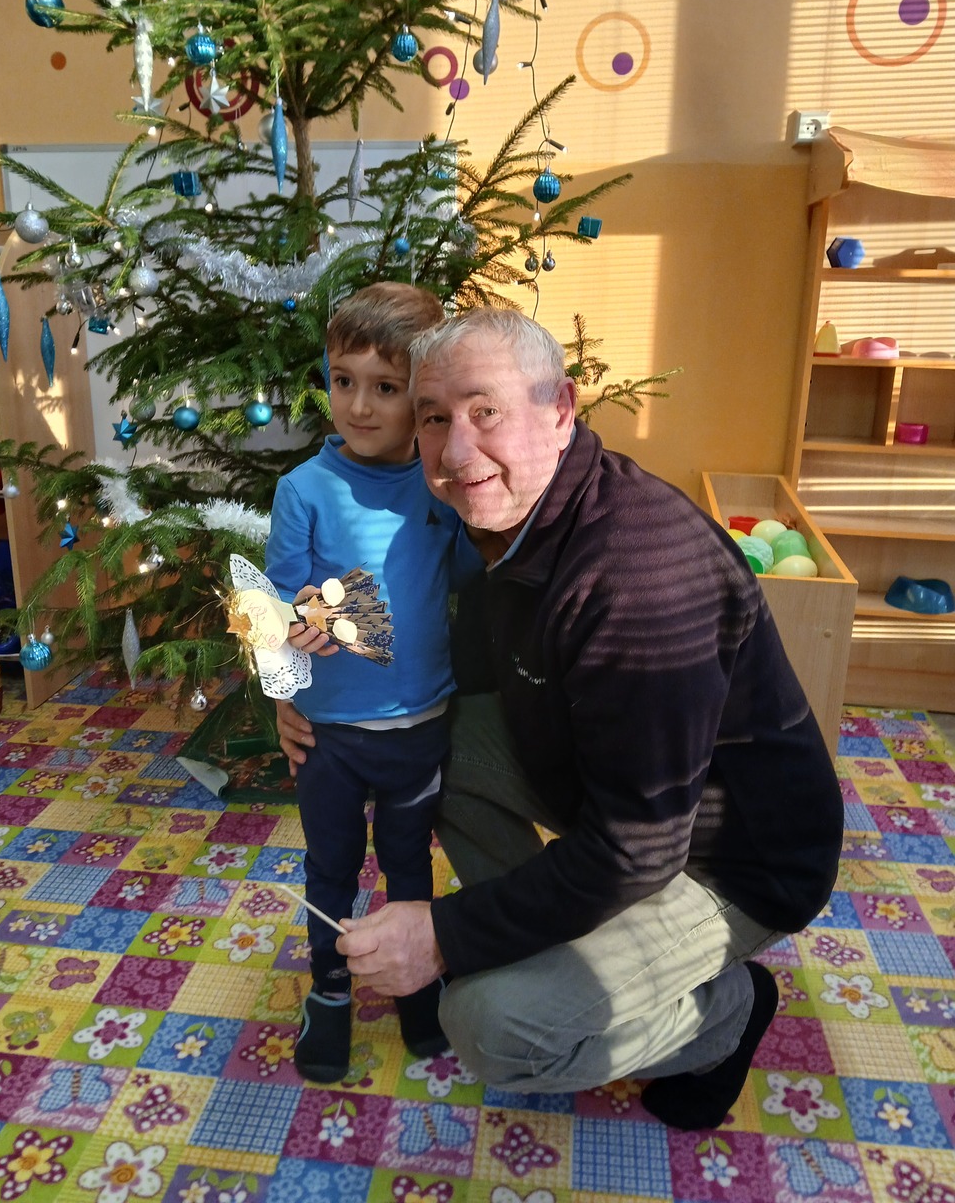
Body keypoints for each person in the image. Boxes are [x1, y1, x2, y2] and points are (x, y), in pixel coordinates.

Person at [276, 307, 843, 1130]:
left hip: (732, 862)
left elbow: (640, 844)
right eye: (434, 418)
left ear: (561, 408)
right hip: (610, 793)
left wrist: (446, 935)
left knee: (492, 1024)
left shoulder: (636, 579)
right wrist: (293, 693)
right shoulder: (502, 520)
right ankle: (554, 947)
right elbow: (432, 662)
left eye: (486, 410)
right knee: (441, 746)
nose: (457, 451)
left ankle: (725, 1013)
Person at [266, 282, 481, 1084]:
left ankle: (414, 981)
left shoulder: (440, 484)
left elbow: (472, 578)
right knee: (330, 867)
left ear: (422, 396)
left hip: (420, 726)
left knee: (408, 864)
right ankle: (329, 990)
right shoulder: (303, 490)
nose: (358, 405)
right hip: (329, 735)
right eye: (342, 380)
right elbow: (277, 608)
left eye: (385, 387)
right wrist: (282, 694)